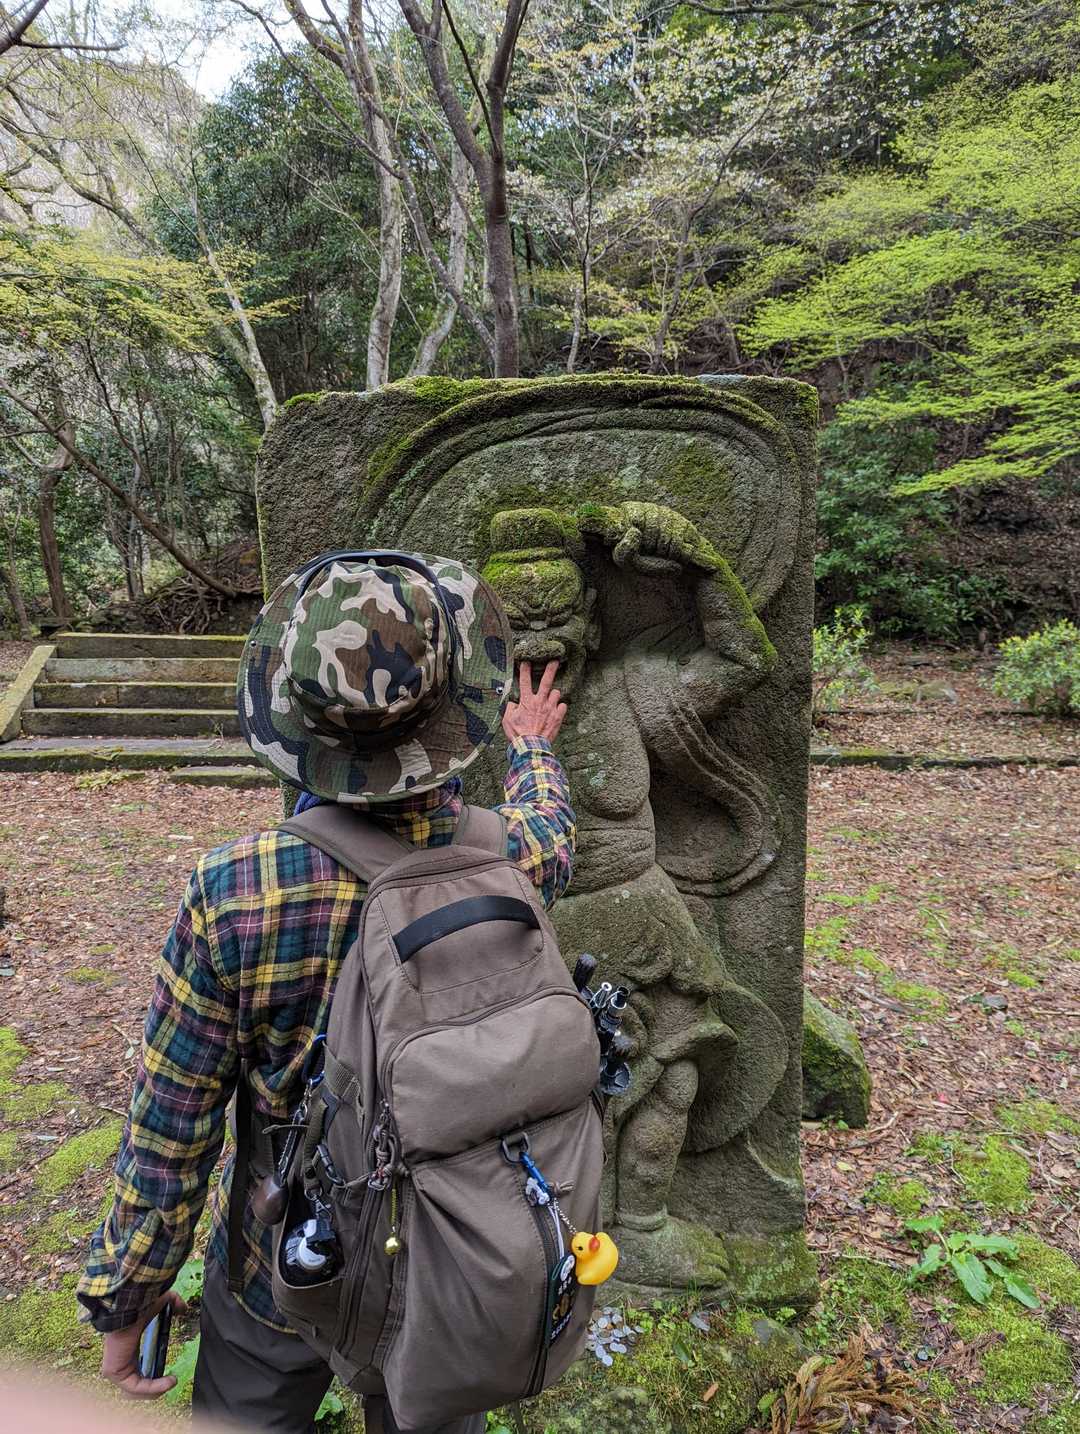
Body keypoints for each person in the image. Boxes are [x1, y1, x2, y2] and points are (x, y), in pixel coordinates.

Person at [76, 550, 575, 1434]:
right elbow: (554, 833)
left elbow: (172, 1127)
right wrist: (533, 749)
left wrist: (129, 1293)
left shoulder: (236, 893)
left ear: (293, 717)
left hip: (284, 1257)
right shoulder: (513, 860)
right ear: (452, 710)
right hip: (446, 1256)